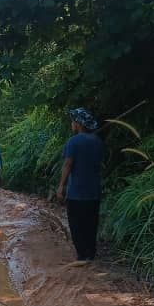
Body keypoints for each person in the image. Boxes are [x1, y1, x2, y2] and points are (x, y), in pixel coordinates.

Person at [57, 108, 104, 262]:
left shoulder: (73, 141)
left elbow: (68, 165)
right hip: (94, 191)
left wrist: (61, 186)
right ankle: (90, 253)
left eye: (73, 121)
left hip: (77, 192)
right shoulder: (97, 141)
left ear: (78, 124)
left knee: (76, 224)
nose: (72, 124)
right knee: (91, 223)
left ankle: (82, 254)